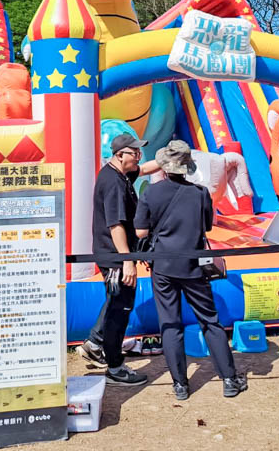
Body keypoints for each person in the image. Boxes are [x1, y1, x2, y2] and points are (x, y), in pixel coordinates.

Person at [134, 140, 247, 400]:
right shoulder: (200, 193)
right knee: (210, 321)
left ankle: (180, 385)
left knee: (170, 324)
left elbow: (140, 231)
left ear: (163, 166)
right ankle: (229, 379)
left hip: (162, 265)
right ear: (187, 167)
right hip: (194, 264)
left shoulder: (150, 194)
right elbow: (206, 227)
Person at [82, 133, 160, 386]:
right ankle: (115, 367)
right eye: (134, 153)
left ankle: (95, 343)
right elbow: (115, 225)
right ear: (119, 155)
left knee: (115, 300)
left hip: (116, 253)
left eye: (139, 152)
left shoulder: (122, 174)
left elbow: (146, 168)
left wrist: (172, 157)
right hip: (115, 256)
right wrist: (127, 261)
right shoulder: (113, 183)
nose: (138, 157)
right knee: (120, 310)